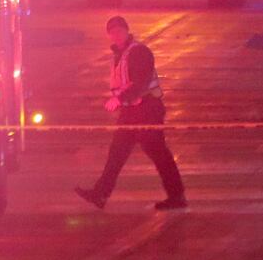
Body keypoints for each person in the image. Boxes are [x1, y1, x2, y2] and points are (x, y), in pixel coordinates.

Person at [76, 16, 187, 211]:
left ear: (127, 31)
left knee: (158, 153)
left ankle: (177, 196)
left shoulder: (138, 52)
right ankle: (100, 194)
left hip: (147, 109)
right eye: (112, 32)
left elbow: (140, 83)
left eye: (119, 31)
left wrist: (119, 99)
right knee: (117, 153)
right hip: (131, 110)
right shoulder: (121, 54)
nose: (116, 35)